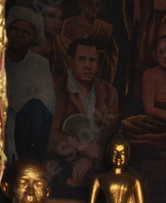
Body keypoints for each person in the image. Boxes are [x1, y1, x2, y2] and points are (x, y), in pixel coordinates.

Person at [48, 39, 120, 190]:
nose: (88, 65)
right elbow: (50, 133)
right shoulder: (56, 87)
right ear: (70, 62)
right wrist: (82, 147)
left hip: (96, 161)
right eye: (82, 59)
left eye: (92, 60)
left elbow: (110, 133)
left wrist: (92, 161)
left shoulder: (109, 92)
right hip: (61, 158)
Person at [77, 136, 161, 203]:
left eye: (123, 153)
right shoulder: (99, 178)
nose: (118, 157)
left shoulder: (134, 180)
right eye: (114, 153)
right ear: (108, 155)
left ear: (128, 156)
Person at [4, 6, 56, 163]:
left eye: (26, 32)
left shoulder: (40, 64)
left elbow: (47, 103)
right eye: (16, 29)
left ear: (34, 38)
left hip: (24, 127)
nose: (20, 35)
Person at [60, 0, 118, 84]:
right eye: (90, 3)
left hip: (96, 76)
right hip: (71, 76)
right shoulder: (69, 23)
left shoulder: (105, 28)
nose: (94, 7)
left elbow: (112, 55)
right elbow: (61, 49)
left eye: (97, 4)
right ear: (81, 3)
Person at [33, 2, 69, 79]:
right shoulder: (30, 42)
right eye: (51, 16)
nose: (57, 22)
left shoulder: (65, 44)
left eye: (60, 18)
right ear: (40, 17)